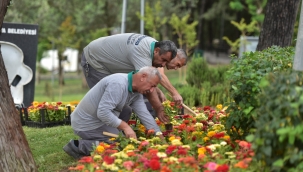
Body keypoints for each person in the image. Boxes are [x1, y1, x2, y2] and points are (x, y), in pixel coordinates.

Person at [81, 33, 187, 123]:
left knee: (122, 103)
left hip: (107, 64)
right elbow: (147, 83)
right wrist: (159, 108)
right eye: (164, 60)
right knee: (113, 103)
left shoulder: (154, 46)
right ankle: (99, 136)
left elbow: (151, 80)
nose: (163, 65)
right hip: (94, 61)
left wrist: (158, 91)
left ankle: (118, 135)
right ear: (157, 51)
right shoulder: (142, 53)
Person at [63, 66, 163, 159]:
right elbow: (103, 113)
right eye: (152, 85)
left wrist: (159, 136)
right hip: (86, 123)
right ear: (143, 77)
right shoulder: (118, 84)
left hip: (100, 119)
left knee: (127, 110)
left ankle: (110, 135)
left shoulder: (136, 93)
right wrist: (125, 127)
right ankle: (78, 146)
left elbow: (145, 115)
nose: (151, 90)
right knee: (119, 145)